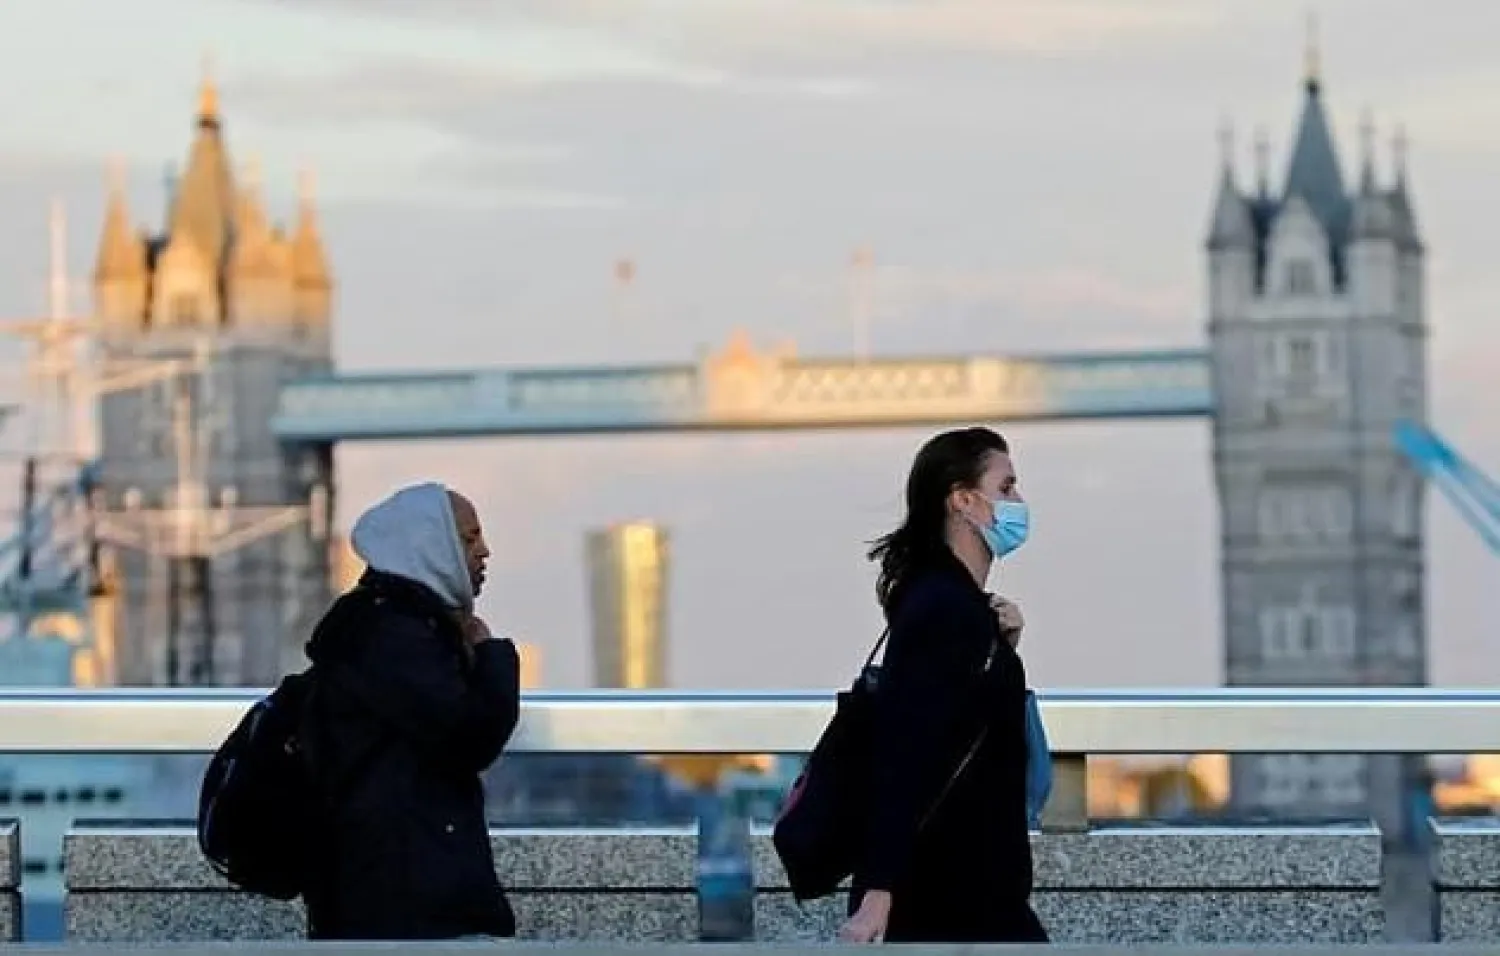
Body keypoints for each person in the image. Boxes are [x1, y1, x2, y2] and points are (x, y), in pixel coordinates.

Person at [840, 427, 1048, 944]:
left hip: (973, 885)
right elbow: (905, 749)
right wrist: (878, 892)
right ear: (963, 500)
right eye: (1006, 488)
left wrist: (1002, 651)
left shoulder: (958, 606)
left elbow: (959, 720)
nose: (1018, 502)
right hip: (950, 891)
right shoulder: (943, 609)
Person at [299, 482, 522, 940]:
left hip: (388, 888)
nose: (485, 552)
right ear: (429, 545)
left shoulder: (391, 625)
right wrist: (490, 654)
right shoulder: (395, 636)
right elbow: (470, 736)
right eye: (469, 538)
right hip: (400, 898)